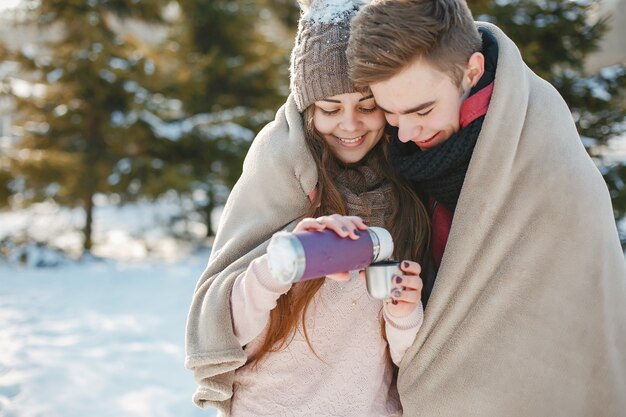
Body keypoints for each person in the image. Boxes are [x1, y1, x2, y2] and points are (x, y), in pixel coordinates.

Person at [346, 0, 626, 415]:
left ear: (472, 71)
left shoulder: (547, 164)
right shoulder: (421, 149)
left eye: (422, 110)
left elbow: (568, 330)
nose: (405, 132)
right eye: (390, 113)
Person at [185, 1, 431, 415]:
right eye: (330, 109)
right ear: (305, 109)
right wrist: (279, 263)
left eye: (367, 106)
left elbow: (408, 359)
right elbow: (227, 327)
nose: (350, 126)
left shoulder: (407, 191)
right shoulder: (279, 172)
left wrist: (406, 312)